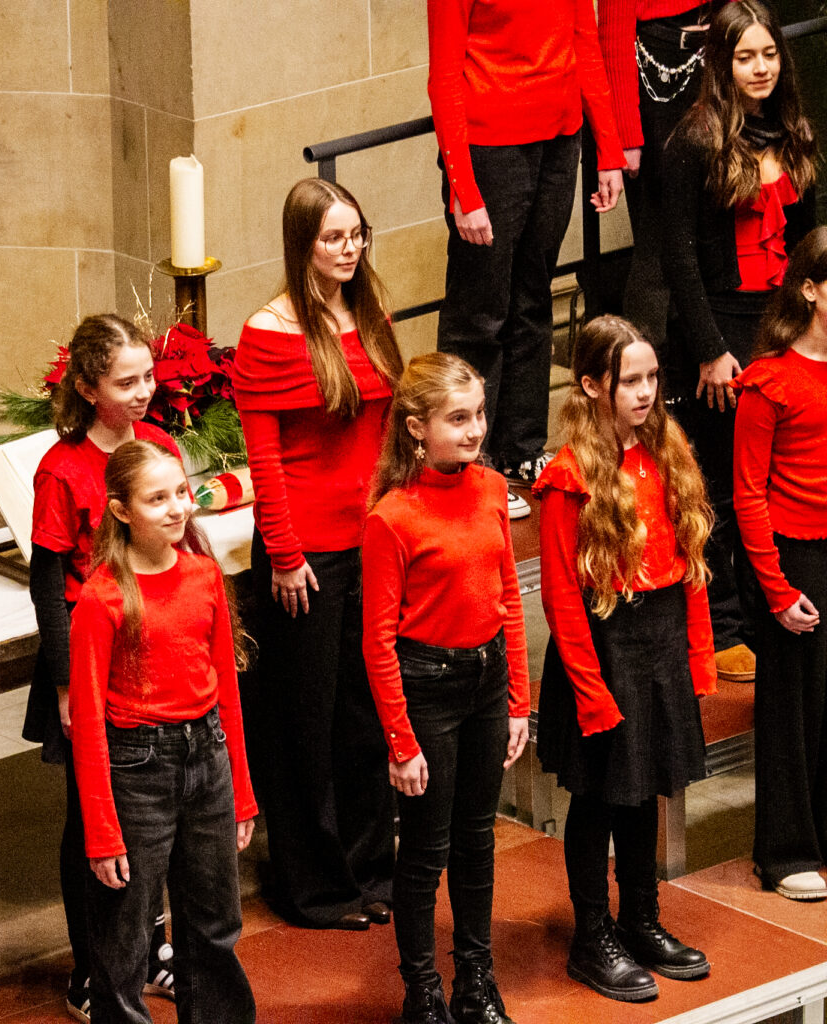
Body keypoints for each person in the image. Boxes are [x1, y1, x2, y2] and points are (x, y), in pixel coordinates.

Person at [229, 177, 401, 930]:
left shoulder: (370, 312)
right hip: (307, 553)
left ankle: (369, 869)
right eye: (334, 237)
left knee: (364, 718)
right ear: (303, 244)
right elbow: (264, 459)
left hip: (371, 539)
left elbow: (390, 428)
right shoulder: (269, 331)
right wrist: (287, 554)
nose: (349, 248)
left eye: (356, 234)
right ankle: (312, 884)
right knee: (306, 724)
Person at [534, 315, 715, 1001]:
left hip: (662, 637)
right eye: (629, 381)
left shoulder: (667, 448)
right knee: (602, 797)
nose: (645, 393)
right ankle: (592, 934)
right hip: (605, 648)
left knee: (648, 788)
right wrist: (589, 689)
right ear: (590, 385)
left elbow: (692, 564)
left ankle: (641, 917)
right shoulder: (568, 475)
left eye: (650, 378)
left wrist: (699, 656)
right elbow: (559, 594)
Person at [362, 353, 531, 1024]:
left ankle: (476, 984)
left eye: (478, 416)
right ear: (415, 428)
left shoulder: (491, 488)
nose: (473, 431)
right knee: (427, 851)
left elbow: (509, 598)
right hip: (426, 692)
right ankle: (423, 992)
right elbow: (377, 642)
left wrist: (520, 699)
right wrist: (401, 742)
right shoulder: (392, 517)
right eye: (457, 419)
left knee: (478, 839)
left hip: (487, 684)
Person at [69, 439, 257, 1024]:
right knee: (124, 933)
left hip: (209, 758)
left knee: (214, 921)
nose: (178, 507)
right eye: (158, 499)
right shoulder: (101, 598)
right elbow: (89, 727)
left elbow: (228, 692)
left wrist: (242, 796)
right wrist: (102, 832)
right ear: (122, 510)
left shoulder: (203, 576)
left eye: (180, 492)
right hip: (136, 768)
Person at [26, 313, 181, 1018]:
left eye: (148, 376)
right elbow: (48, 582)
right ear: (87, 387)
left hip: (154, 655)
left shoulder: (157, 448)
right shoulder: (63, 469)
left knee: (153, 811)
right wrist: (64, 681)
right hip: (87, 658)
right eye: (127, 381)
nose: (144, 391)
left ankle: (149, 949)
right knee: (93, 817)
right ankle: (91, 965)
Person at [662, 0, 818, 685]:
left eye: (769, 54)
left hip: (780, 320)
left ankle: (768, 608)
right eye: (745, 57)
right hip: (720, 328)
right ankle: (726, 623)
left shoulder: (792, 133)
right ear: (722, 65)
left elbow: (810, 248)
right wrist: (706, 348)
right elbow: (679, 255)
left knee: (776, 474)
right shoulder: (692, 141)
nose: (760, 68)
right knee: (724, 486)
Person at [428, 0, 625, 483]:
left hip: (560, 139)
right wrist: (464, 189)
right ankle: (468, 460)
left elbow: (586, 44)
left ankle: (522, 446)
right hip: (490, 150)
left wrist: (609, 151)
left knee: (534, 300)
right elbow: (445, 77)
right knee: (479, 313)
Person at [733, 225, 827, 901]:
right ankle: (786, 850)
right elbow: (747, 492)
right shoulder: (770, 381)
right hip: (793, 556)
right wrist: (774, 586)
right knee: (791, 709)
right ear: (811, 290)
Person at [597, 0, 720, 350]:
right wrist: (627, 136)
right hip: (658, 77)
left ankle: (700, 365)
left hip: (715, 61)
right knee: (657, 248)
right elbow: (613, 38)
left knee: (712, 238)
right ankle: (644, 378)